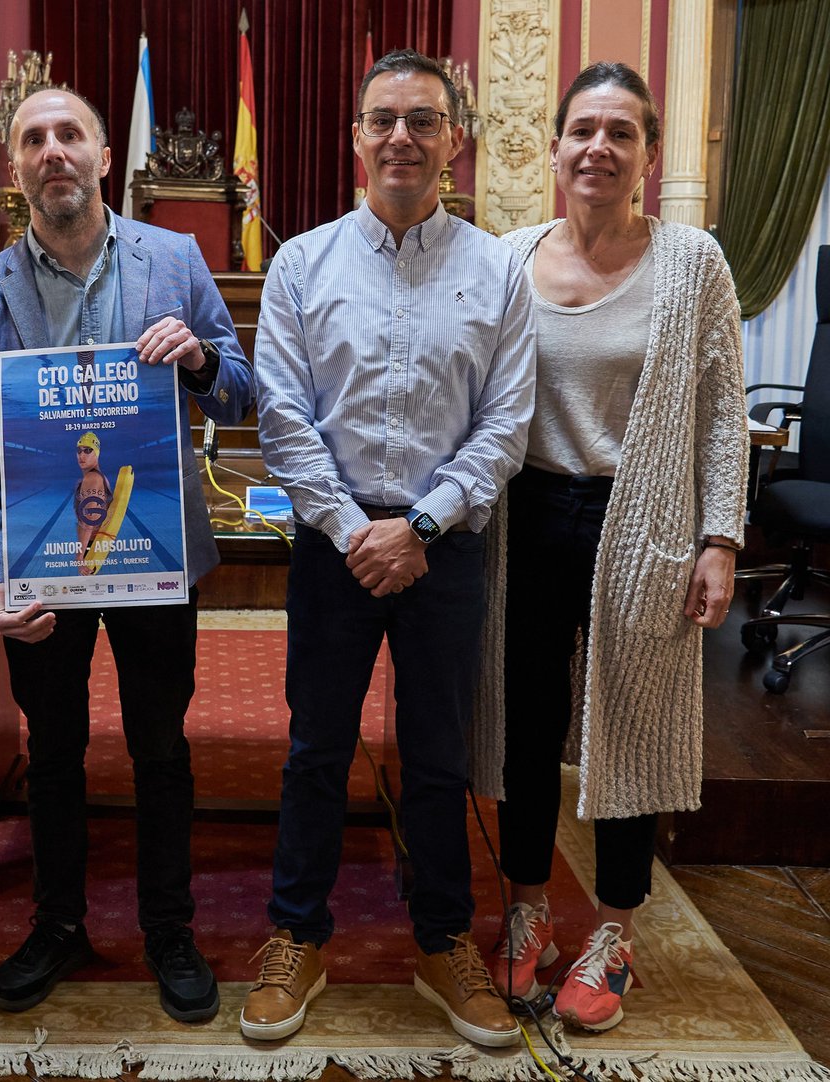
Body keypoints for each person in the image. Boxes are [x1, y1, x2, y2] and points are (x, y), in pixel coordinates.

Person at [244, 50, 535, 1049]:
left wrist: (417, 526)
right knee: (316, 747)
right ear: (356, 138)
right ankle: (297, 934)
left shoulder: (500, 269)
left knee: (440, 757)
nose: (402, 136)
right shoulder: (300, 264)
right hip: (334, 544)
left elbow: (506, 426)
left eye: (424, 120)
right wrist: (351, 526)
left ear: (455, 140)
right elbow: (281, 416)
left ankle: (443, 937)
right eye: (384, 119)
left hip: (443, 547)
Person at [0, 86, 252, 1023]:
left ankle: (168, 927)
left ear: (104, 154)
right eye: (33, 139)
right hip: (45, 566)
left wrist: (198, 358)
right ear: (16, 167)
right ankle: (59, 922)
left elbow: (240, 395)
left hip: (156, 557)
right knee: (57, 753)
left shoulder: (177, 260)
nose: (53, 152)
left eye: (69, 134)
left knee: (161, 747)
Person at [482, 62, 749, 1033]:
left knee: (630, 724)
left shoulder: (694, 261)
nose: (599, 147)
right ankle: (525, 910)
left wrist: (720, 536)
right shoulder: (507, 254)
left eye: (620, 132)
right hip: (525, 518)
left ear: (646, 152)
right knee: (522, 718)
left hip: (646, 524)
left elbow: (725, 407)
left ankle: (614, 928)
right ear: (553, 148)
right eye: (582, 129)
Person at [73, 430, 112, 565]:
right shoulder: (99, 477)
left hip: (92, 548)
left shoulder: (92, 478)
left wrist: (80, 555)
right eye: (79, 450)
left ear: (97, 453)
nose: (82, 455)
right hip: (97, 545)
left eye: (88, 450)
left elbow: (89, 520)